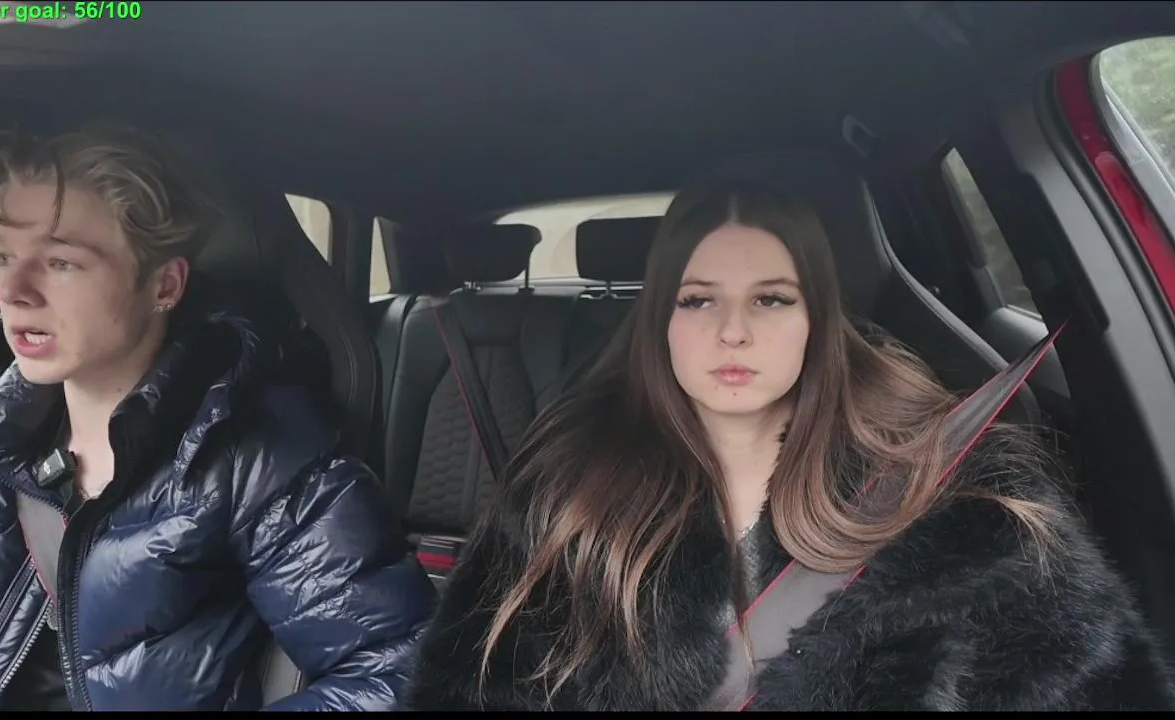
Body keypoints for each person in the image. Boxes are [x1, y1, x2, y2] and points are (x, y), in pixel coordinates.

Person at [401, 173, 1175, 711]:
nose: (733, 331)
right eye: (697, 300)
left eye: (770, 299)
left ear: (818, 319)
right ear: (658, 320)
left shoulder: (961, 498)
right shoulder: (567, 488)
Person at [0, 124, 436, 711]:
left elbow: (393, 672)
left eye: (61, 261)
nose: (15, 291)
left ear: (163, 284)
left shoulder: (255, 459)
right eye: (4, 255)